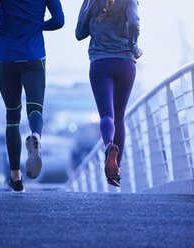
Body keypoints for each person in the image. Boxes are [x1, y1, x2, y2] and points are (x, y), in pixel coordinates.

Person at [0, 0, 64, 193]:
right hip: (34, 57)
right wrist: (37, 26)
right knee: (35, 108)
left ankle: (16, 178)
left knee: (12, 118)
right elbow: (59, 21)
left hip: (7, 58)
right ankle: (36, 136)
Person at [76, 0, 142, 187]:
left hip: (100, 64)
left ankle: (108, 146)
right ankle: (115, 171)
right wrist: (135, 48)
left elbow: (79, 34)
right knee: (119, 118)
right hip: (125, 64)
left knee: (106, 115)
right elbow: (135, 24)